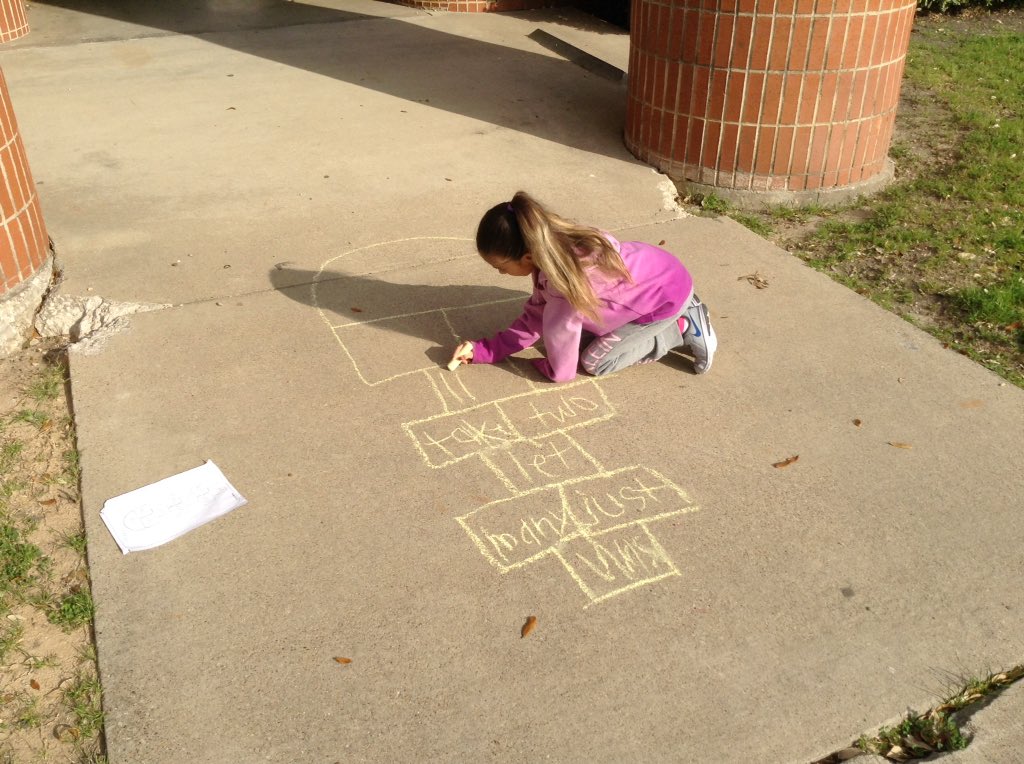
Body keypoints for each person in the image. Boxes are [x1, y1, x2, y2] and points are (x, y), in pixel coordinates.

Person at [448, 191, 717, 383]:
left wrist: (555, 369)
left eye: (502, 267)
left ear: (527, 257)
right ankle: (678, 315)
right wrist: (486, 350)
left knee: (594, 362)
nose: (500, 273)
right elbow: (537, 317)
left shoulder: (565, 285)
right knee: (580, 340)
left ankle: (679, 329)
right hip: (661, 274)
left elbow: (559, 340)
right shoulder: (555, 248)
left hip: (665, 301)